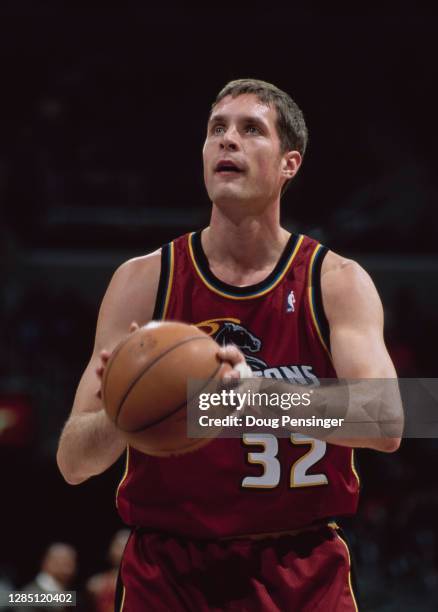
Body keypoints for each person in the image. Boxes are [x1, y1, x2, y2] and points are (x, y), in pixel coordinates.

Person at [57, 79, 402, 611]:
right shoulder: (143, 280)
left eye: (250, 129)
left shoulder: (335, 280)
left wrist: (244, 396)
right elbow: (73, 461)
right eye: (216, 128)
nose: (227, 140)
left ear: (290, 164)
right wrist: (128, 413)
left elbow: (390, 420)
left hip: (301, 568)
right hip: (167, 572)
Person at [19, 543, 77, 612]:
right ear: (46, 562)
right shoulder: (28, 594)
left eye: (70, 565)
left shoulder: (67, 591)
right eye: (63, 563)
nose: (67, 570)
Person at [86, 529, 130, 612]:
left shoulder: (140, 582)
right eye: (118, 546)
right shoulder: (96, 582)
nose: (122, 551)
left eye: (126, 546)